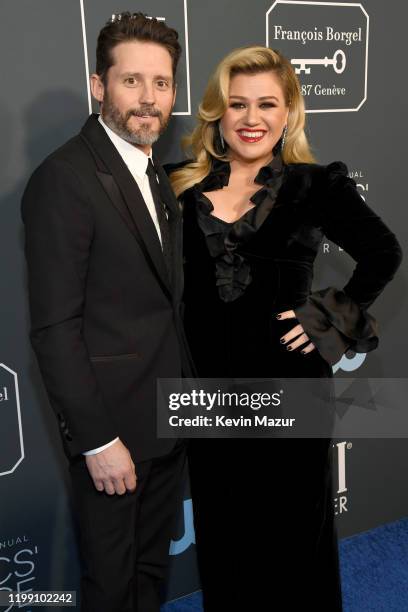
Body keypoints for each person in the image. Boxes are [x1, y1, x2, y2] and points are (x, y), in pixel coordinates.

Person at [164, 45, 403, 611]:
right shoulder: (177, 185)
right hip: (207, 391)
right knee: (224, 535)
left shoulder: (314, 184)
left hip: (289, 386)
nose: (251, 119)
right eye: (238, 104)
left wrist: (329, 319)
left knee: (296, 535)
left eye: (267, 104)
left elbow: (383, 252)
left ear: (289, 112)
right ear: (218, 113)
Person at [21, 12, 194, 612]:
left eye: (163, 83)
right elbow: (54, 328)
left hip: (167, 417)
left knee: (150, 570)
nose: (150, 100)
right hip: (114, 432)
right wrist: (97, 441)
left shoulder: (152, 170)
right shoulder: (63, 180)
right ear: (99, 85)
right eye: (132, 81)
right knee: (112, 582)